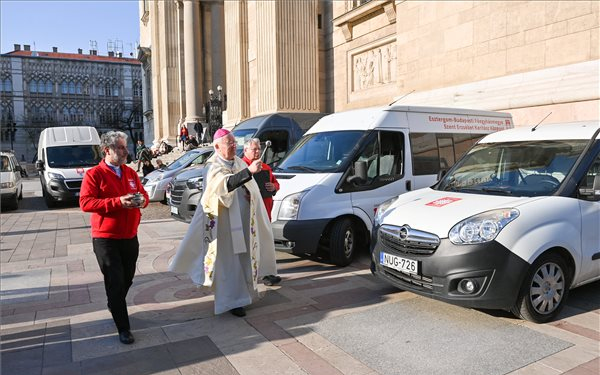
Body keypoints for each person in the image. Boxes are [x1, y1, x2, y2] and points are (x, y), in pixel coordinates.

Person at [169, 128, 279, 317]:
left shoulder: (236, 162)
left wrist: (250, 192)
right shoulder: (212, 166)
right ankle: (231, 302)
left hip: (244, 222)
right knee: (228, 263)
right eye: (230, 143)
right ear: (217, 146)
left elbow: (250, 187)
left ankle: (246, 295)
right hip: (224, 224)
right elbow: (223, 186)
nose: (233, 146)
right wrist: (249, 172)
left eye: (235, 143)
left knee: (244, 258)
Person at [79, 131, 149, 345]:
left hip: (129, 235)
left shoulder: (129, 172)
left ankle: (114, 302)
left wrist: (140, 201)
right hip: (106, 238)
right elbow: (86, 203)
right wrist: (117, 202)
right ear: (107, 150)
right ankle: (123, 327)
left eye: (125, 147)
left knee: (127, 278)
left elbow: (144, 196)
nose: (126, 151)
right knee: (116, 282)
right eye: (120, 147)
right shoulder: (94, 174)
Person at [242, 138, 280, 221]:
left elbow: (276, 183)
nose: (258, 152)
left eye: (259, 149)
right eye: (254, 149)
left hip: (266, 209)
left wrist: (274, 187)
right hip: (249, 210)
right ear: (245, 150)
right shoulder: (241, 166)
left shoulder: (265, 167)